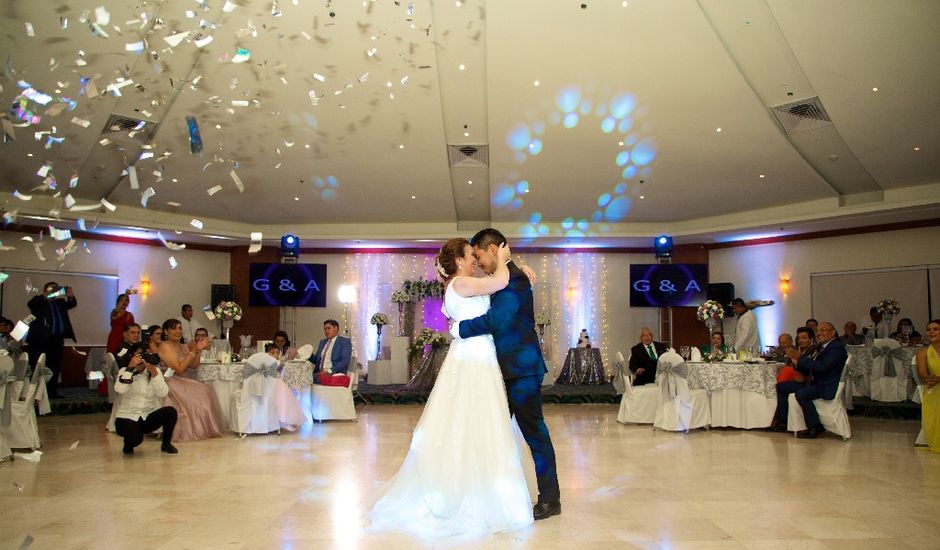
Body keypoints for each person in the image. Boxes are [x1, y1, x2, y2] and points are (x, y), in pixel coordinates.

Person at [370, 236, 534, 536]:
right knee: (469, 421)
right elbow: (498, 282)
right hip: (473, 359)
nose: (475, 259)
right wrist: (507, 258)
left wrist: (516, 267)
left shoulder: (463, 285)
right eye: (471, 254)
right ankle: (466, 492)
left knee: (480, 422)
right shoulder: (460, 284)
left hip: (480, 356)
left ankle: (478, 487)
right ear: (458, 260)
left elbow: (497, 287)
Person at [457, 228, 560, 521]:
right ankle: (494, 496)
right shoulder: (503, 278)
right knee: (494, 435)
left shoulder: (515, 279)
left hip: (521, 371)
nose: (477, 263)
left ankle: (551, 499)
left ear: (493, 250)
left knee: (534, 434)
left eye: (478, 255)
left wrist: (459, 330)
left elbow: (498, 319)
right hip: (502, 372)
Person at [774, 322, 847, 438]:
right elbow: (812, 367)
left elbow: (822, 367)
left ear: (833, 332)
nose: (819, 333)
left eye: (823, 330)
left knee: (801, 394)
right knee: (781, 387)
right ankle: (784, 421)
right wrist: (797, 363)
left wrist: (800, 358)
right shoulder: (823, 347)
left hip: (825, 384)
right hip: (816, 381)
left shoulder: (836, 348)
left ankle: (815, 426)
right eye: (818, 331)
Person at [158, 318, 224, 442]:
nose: (178, 331)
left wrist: (197, 350)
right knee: (195, 395)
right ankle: (187, 430)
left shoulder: (182, 346)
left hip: (184, 379)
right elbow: (178, 369)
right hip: (171, 380)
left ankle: (205, 429)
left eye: (180, 328)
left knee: (204, 390)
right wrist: (192, 351)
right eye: (174, 328)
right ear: (165, 332)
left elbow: (193, 365)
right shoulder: (165, 346)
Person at [113, 342, 178, 455]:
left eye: (146, 354)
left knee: (170, 411)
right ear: (132, 356)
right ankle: (128, 443)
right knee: (136, 439)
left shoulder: (154, 371)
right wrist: (130, 368)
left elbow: (163, 393)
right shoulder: (125, 370)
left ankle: (166, 444)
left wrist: (154, 373)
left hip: (147, 417)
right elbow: (120, 389)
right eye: (139, 355)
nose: (143, 358)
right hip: (127, 417)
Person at [26, 281, 77, 399]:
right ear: (45, 290)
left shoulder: (59, 302)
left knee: (55, 366)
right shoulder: (39, 300)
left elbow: (72, 304)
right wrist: (45, 295)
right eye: (52, 289)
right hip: (41, 340)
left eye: (56, 289)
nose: (54, 291)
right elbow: (30, 304)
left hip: (56, 339)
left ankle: (51, 392)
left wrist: (70, 295)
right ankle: (36, 392)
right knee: (39, 365)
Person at [915, 319, 940, 453]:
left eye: (935, 329)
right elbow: (922, 373)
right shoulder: (923, 352)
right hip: (933, 387)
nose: (931, 332)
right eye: (929, 330)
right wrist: (929, 379)